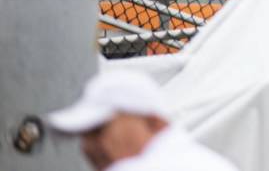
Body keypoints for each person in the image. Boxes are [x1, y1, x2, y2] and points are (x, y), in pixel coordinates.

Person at [46, 70, 239, 171]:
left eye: (99, 129)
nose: (89, 146)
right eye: (84, 134)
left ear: (154, 123)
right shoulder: (209, 162)